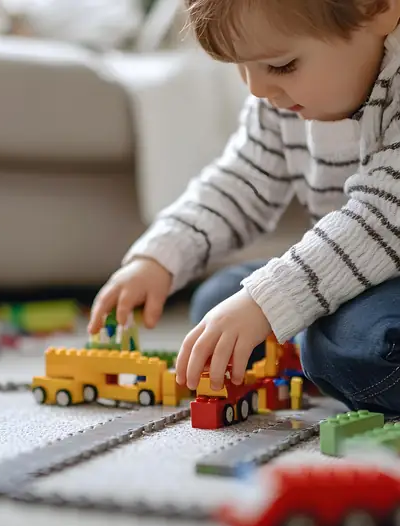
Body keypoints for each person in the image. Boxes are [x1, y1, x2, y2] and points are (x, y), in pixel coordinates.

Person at [87, 0, 400, 417]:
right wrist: (160, 256)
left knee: (361, 349)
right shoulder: (280, 99)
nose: (257, 89)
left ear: (378, 9)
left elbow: (381, 219)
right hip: (356, 281)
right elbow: (242, 180)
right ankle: (309, 343)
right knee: (218, 302)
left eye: (283, 65)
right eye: (241, 67)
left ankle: (317, 349)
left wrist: (270, 302)